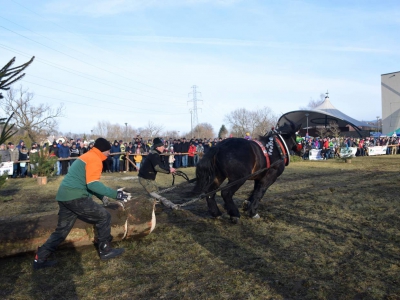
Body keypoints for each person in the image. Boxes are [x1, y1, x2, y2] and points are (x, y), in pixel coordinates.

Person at [33, 137, 131, 270]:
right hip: (76, 197)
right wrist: (115, 194)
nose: (109, 153)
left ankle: (40, 258)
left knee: (62, 231)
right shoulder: (95, 160)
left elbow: (87, 183)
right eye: (108, 150)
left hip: (64, 196)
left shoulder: (88, 156)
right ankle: (105, 250)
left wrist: (101, 196)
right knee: (104, 216)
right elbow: (93, 184)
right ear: (102, 150)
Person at [138, 137, 177, 208]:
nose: (163, 148)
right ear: (157, 147)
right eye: (162, 146)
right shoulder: (154, 155)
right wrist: (169, 170)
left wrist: (169, 169)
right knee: (154, 195)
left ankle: (152, 208)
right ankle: (146, 209)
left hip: (149, 178)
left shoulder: (155, 154)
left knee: (156, 194)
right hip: (145, 178)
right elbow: (158, 167)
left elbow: (161, 165)